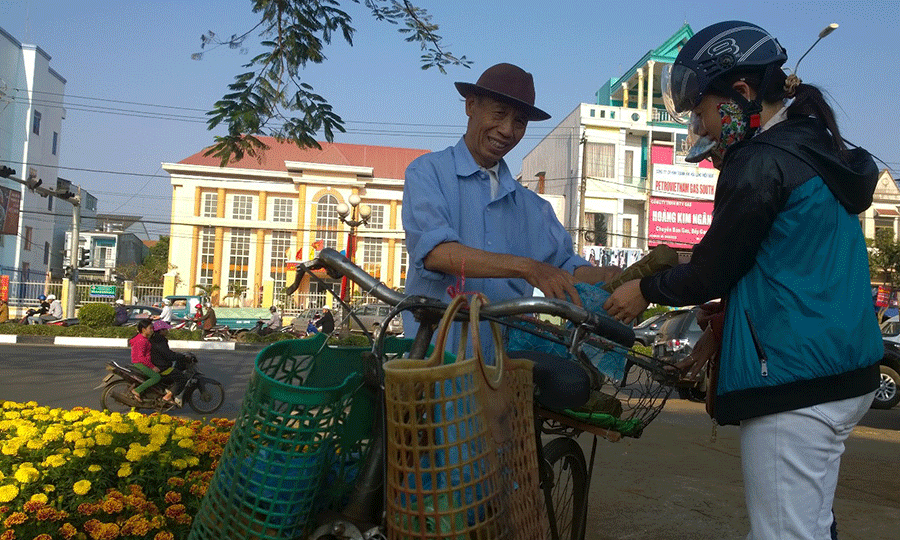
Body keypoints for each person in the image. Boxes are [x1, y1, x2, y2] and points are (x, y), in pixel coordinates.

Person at [602, 21, 881, 540]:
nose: (701, 126)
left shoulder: (759, 160)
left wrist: (643, 290)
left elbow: (715, 267)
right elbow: (783, 268)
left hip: (798, 386)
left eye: (701, 110)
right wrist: (722, 327)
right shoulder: (811, 148)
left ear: (742, 93)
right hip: (842, 369)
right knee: (810, 526)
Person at [401, 62, 619, 351]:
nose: (507, 130)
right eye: (499, 113)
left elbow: (566, 269)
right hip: (433, 361)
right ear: (471, 106)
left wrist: (612, 278)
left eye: (519, 121)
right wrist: (526, 267)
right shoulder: (427, 173)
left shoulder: (533, 208)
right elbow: (436, 253)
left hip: (500, 371)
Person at [129, 319, 173, 402]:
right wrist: (152, 367)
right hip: (140, 363)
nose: (152, 330)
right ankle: (137, 390)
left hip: (142, 362)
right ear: (143, 330)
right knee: (156, 377)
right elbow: (141, 357)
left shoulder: (143, 339)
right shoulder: (141, 340)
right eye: (150, 328)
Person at [148, 320, 188, 406]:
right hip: (161, 366)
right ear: (161, 330)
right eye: (166, 329)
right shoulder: (160, 340)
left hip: (156, 363)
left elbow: (166, 352)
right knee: (182, 378)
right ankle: (168, 396)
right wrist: (181, 356)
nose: (167, 331)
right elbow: (168, 355)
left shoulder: (154, 338)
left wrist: (176, 355)